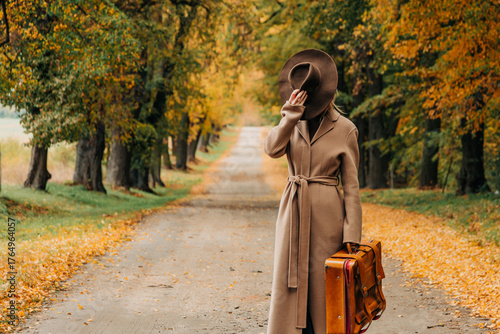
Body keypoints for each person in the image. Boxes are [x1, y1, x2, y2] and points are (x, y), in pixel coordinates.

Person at [264, 49, 362, 334]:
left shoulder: (346, 129)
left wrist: (351, 236)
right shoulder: (290, 124)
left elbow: (352, 189)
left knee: (324, 290)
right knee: (289, 285)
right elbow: (272, 149)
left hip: (327, 221)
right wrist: (290, 116)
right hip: (293, 213)